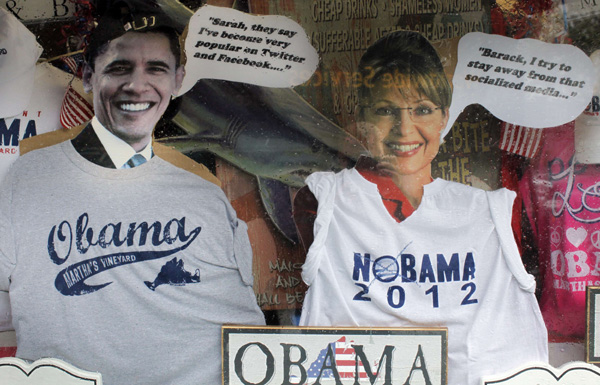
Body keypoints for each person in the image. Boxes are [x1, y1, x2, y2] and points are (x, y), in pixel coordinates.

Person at [0, 2, 265, 384]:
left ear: (177, 80)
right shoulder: (30, 177)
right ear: (88, 76)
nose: (137, 85)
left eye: (155, 69)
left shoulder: (201, 188)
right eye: (119, 68)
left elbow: (239, 322)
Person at [293, 31, 548, 385]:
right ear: (361, 117)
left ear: (445, 116)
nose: (404, 128)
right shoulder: (322, 201)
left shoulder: (494, 211)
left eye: (423, 110)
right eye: (385, 110)